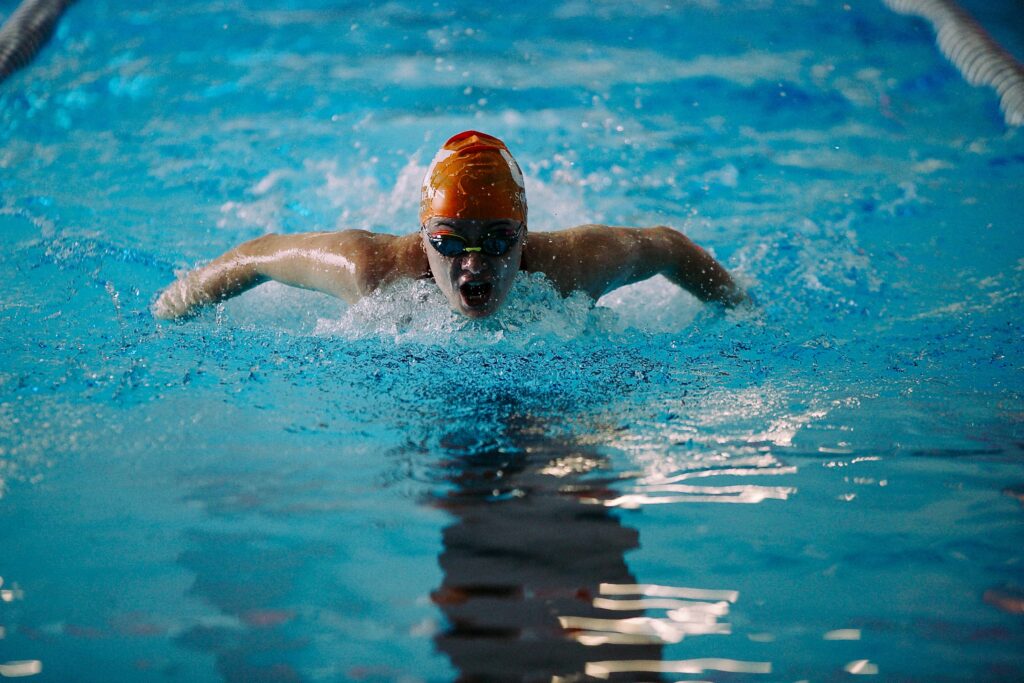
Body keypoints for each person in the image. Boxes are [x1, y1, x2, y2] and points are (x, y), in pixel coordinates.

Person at [153, 130, 746, 320]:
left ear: (525, 231)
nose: (475, 264)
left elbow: (668, 247)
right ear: (422, 236)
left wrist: (742, 309)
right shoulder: (374, 270)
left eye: (498, 240)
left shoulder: (574, 265)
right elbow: (260, 254)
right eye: (450, 242)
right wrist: (170, 309)